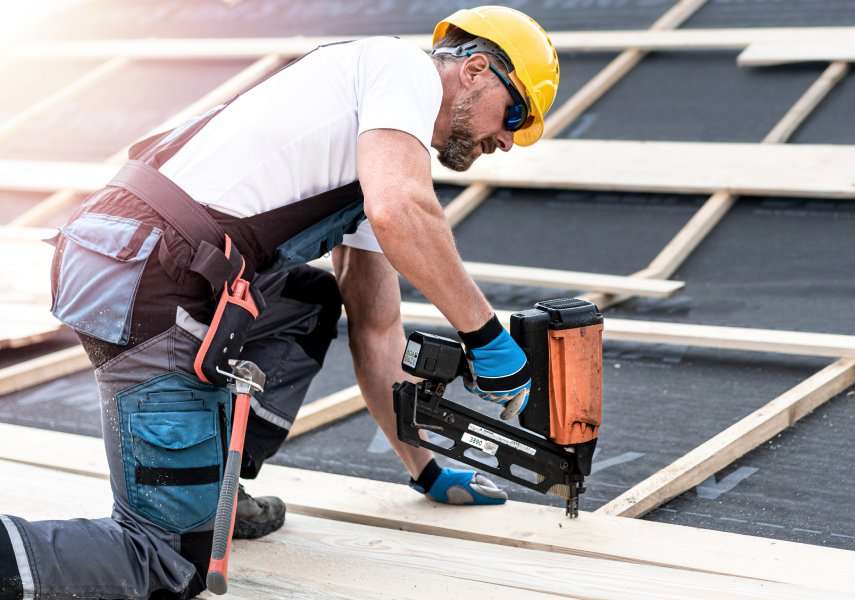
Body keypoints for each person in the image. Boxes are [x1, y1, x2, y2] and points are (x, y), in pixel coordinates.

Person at [0, 6, 559, 600]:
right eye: (516, 115)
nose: (508, 140)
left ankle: (218, 487)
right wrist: (486, 336)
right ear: (474, 69)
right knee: (168, 559)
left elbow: (377, 329)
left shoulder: (378, 153)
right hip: (149, 278)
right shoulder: (403, 70)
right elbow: (402, 211)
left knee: (311, 302)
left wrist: (426, 469)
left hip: (147, 263)